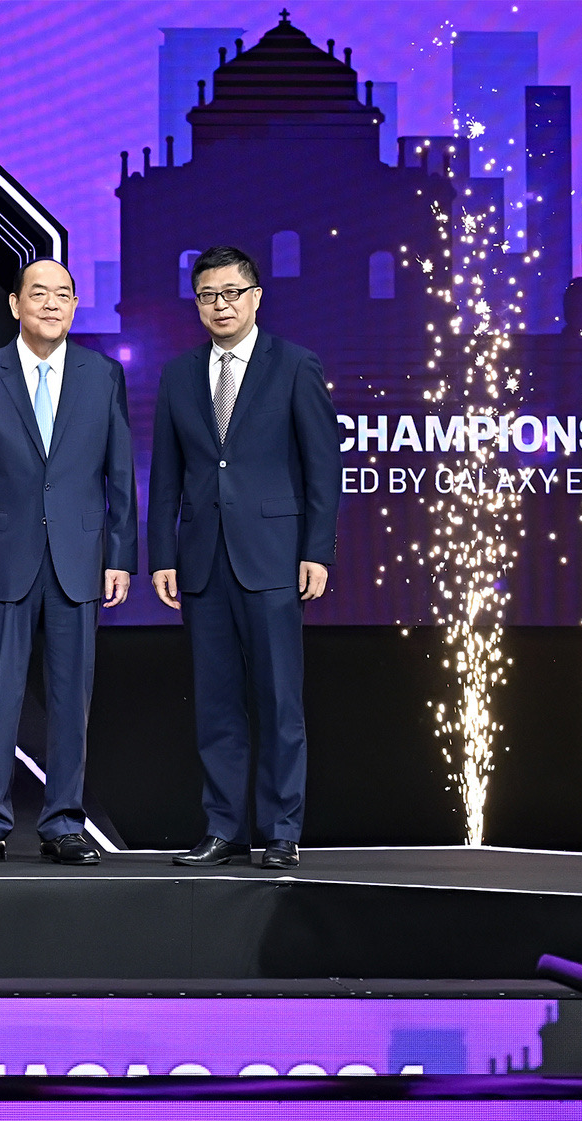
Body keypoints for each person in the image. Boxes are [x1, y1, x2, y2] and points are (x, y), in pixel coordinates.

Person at [146, 244, 338, 870]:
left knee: (280, 700)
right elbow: (166, 476)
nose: (220, 305)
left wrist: (316, 550)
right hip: (202, 560)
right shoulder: (179, 374)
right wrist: (163, 555)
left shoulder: (295, 365)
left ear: (256, 297)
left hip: (274, 557)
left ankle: (282, 831)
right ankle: (224, 828)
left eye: (231, 293)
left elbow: (323, 469)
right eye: (208, 295)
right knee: (216, 703)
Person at [0, 259, 136, 866]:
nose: (52, 304)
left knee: (72, 699)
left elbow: (120, 474)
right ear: (15, 304)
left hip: (79, 557)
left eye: (63, 295)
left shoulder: (102, 375)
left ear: (75, 306)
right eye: (39, 293)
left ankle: (64, 822)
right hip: (4, 559)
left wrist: (120, 556)